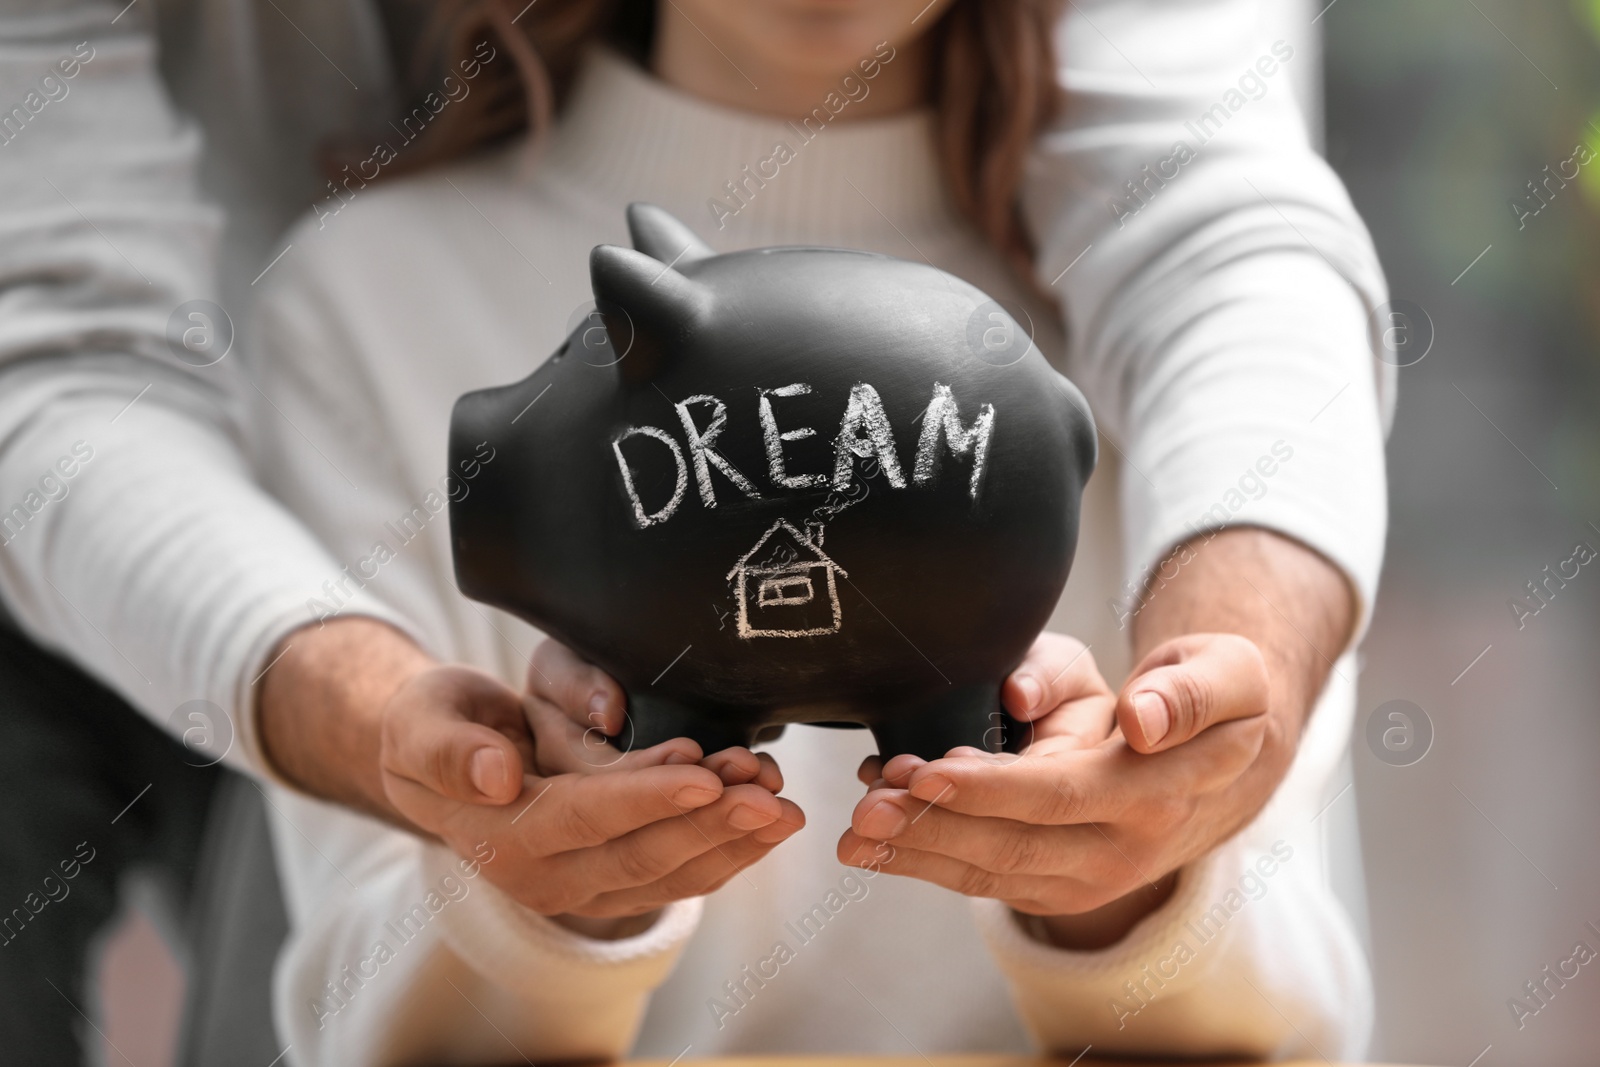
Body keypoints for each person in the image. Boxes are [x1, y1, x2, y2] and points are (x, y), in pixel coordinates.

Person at [0, 0, 1390, 1063]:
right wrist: (553, 895)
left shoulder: (1200, 374)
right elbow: (379, 1016)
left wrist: (1118, 876)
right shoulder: (359, 298)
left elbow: (1260, 1009)